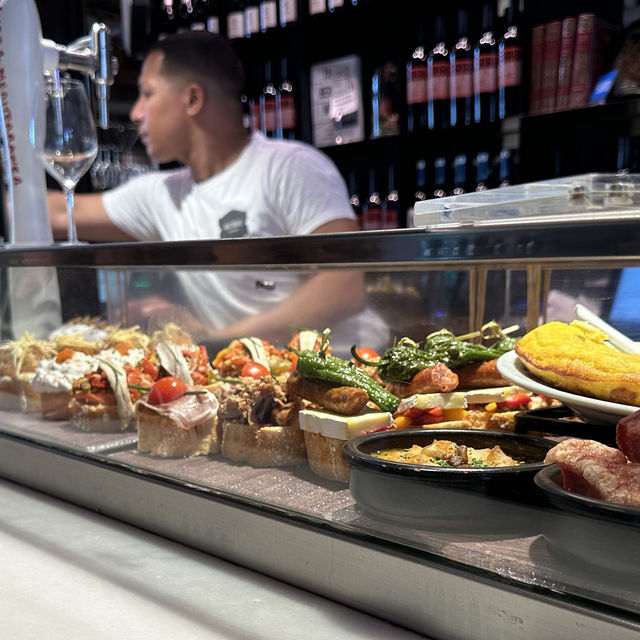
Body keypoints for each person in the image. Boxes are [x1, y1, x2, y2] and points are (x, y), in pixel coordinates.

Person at [48, 31, 386, 350]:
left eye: (148, 93)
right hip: (251, 376)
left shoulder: (289, 167)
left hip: (347, 369)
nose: (136, 113)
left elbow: (343, 285)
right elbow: (58, 212)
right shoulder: (161, 194)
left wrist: (216, 340)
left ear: (193, 98)